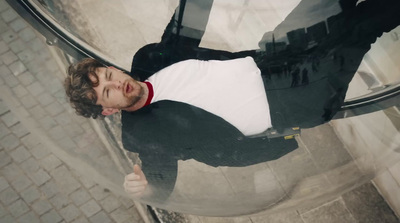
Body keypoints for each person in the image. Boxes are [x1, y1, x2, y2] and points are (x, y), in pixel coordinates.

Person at [64, 0, 400, 202]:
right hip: (293, 100)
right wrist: (145, 189)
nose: (117, 83)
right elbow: (162, 184)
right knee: (360, 27)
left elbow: (184, 26)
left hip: (272, 56)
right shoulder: (144, 135)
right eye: (107, 91)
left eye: (108, 75)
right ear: (107, 109)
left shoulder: (148, 60)